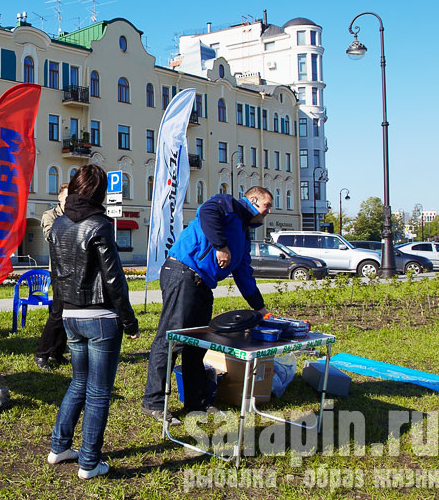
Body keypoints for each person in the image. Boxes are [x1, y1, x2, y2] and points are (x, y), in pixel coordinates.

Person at [141, 186, 272, 422]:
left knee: (197, 344)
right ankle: (154, 402)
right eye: (267, 206)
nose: (268, 212)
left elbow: (244, 273)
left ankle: (197, 403)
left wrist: (259, 308)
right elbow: (207, 211)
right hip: (182, 272)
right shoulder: (227, 204)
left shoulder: (242, 233)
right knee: (172, 339)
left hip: (202, 284)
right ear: (253, 200)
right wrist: (220, 246)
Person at [46, 164, 139, 480]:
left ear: (72, 188)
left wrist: (61, 315)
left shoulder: (57, 225)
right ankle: (88, 463)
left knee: (79, 382)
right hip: (100, 317)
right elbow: (114, 279)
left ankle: (59, 447)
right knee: (98, 391)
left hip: (70, 315)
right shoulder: (100, 224)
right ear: (99, 193)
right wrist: (129, 321)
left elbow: (56, 274)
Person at [34, 183, 69, 370]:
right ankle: (42, 354)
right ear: (59, 198)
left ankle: (57, 352)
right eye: (66, 198)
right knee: (57, 313)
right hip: (59, 271)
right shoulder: (50, 215)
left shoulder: (74, 217)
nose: (70, 202)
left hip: (74, 271)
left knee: (67, 314)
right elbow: (51, 236)